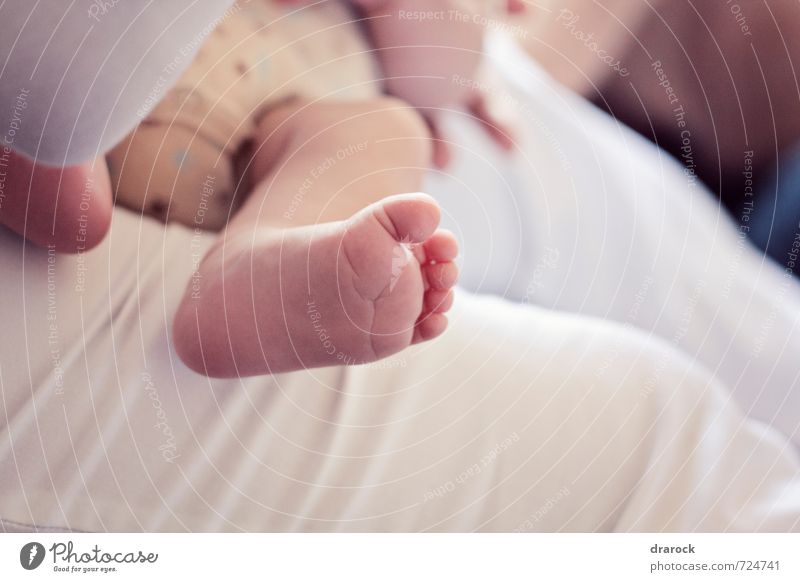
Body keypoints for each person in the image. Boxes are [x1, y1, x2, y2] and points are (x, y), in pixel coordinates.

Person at [1, 0, 800, 532]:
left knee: (365, 138)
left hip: (152, 97)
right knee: (385, 137)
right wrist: (455, 34)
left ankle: (81, 181)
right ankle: (250, 252)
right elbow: (433, 77)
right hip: (226, 107)